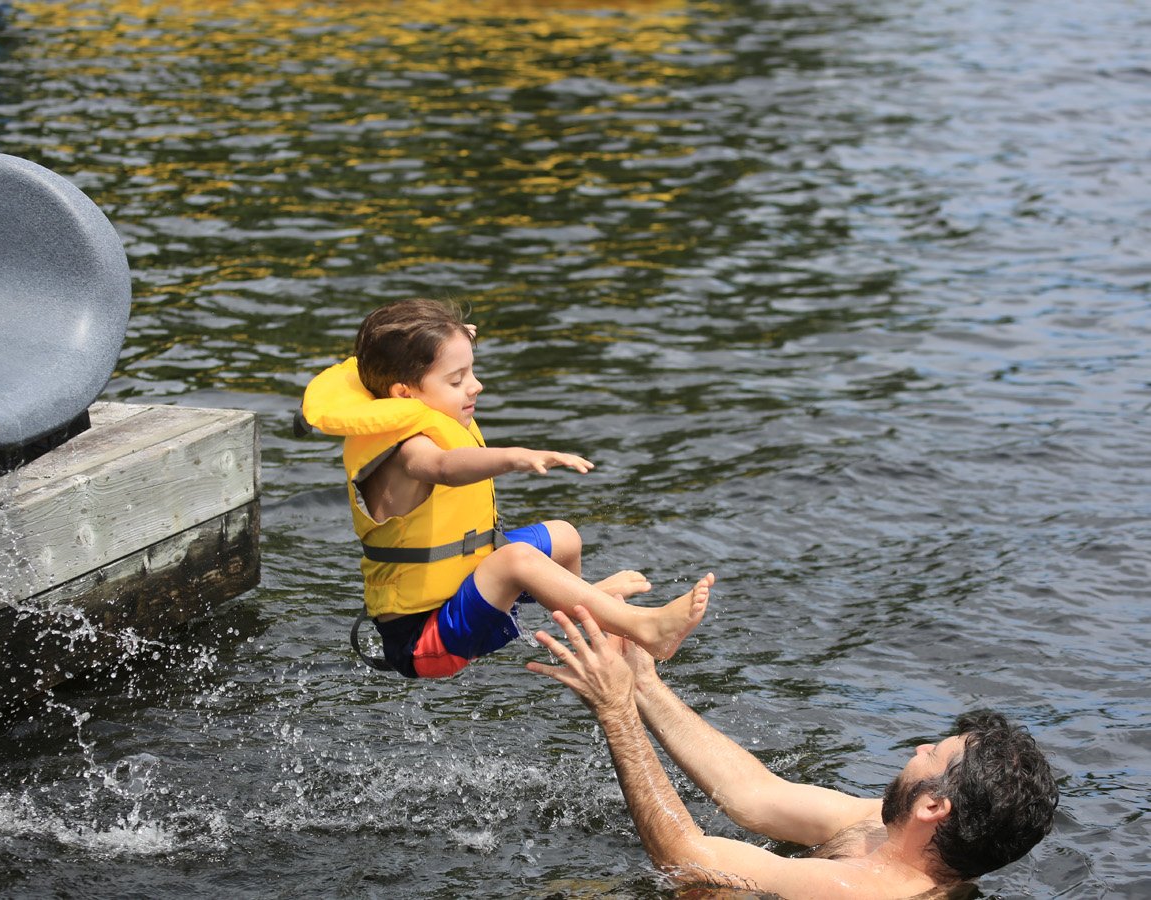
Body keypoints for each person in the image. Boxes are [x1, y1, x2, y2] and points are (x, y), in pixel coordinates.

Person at [299, 298, 710, 678]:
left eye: (471, 371)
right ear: (404, 393)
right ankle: (646, 628)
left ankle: (584, 606)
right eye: (457, 380)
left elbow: (423, 351)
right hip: (425, 638)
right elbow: (443, 466)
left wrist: (454, 336)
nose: (475, 385)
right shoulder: (408, 450)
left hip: (460, 587)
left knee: (564, 537)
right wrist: (515, 456)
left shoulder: (416, 397)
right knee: (515, 559)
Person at [529, 606, 1060, 898]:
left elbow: (686, 858)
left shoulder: (860, 892)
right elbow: (754, 795)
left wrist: (616, 712)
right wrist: (643, 684)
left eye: (933, 754)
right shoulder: (886, 830)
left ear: (933, 806)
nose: (920, 747)